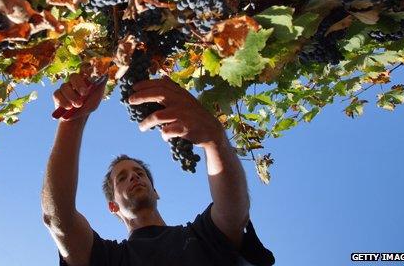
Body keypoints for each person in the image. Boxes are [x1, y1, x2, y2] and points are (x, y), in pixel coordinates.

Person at [41, 71, 275, 266]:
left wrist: (215, 141)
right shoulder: (109, 259)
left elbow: (234, 212)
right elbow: (58, 219)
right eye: (122, 178)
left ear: (157, 192)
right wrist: (72, 120)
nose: (133, 176)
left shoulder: (200, 236)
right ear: (113, 206)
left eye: (139, 173)